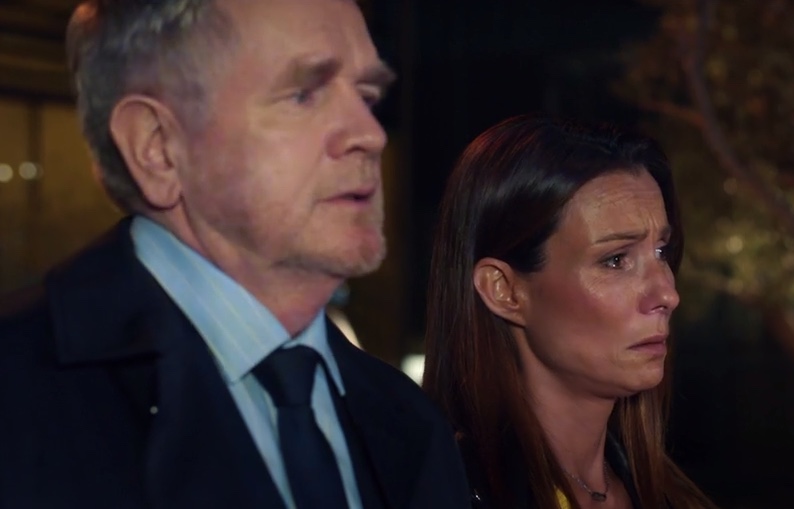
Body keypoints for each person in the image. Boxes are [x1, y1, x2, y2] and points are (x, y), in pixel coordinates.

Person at [0, 0, 470, 508]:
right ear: (157, 146)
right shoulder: (19, 396)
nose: (370, 135)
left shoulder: (411, 423)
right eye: (305, 94)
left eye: (366, 94)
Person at [422, 114, 717, 509]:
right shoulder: (445, 493)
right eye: (616, 260)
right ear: (504, 290)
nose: (667, 293)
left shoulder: (671, 496)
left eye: (661, 251)